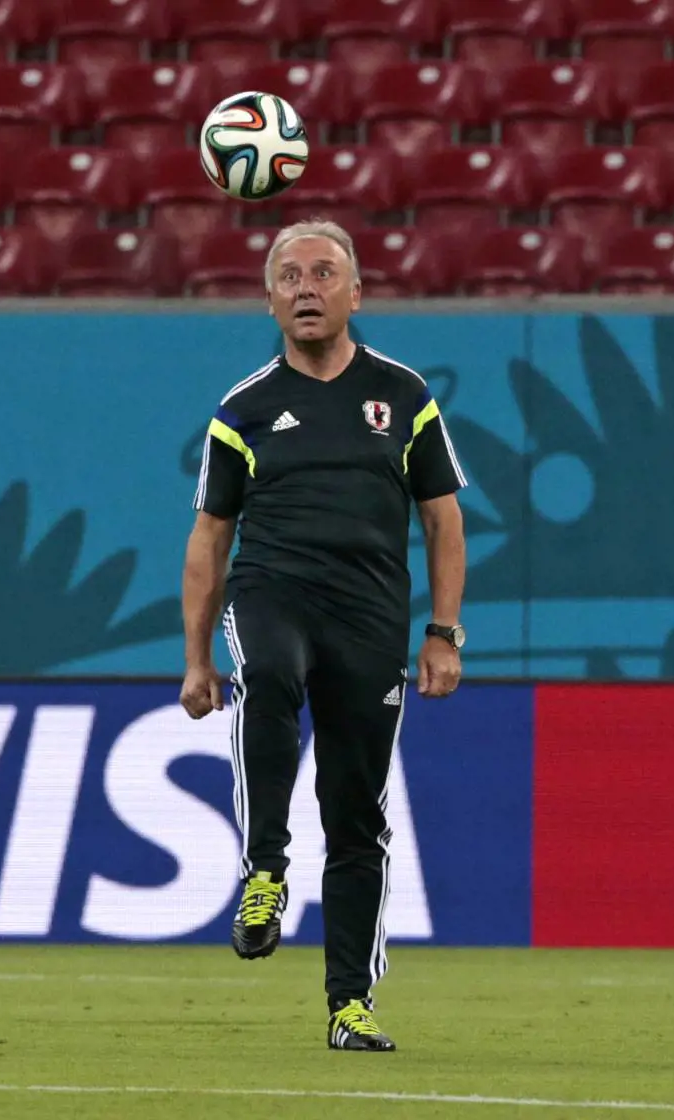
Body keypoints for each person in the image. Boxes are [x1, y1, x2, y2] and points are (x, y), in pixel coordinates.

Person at [180, 219, 467, 1052]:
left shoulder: (404, 396)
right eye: (290, 276)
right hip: (273, 591)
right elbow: (210, 539)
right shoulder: (242, 410)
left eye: (324, 272)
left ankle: (350, 1005)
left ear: (356, 293)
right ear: (270, 300)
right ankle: (265, 869)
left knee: (356, 814)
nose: (307, 287)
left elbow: (444, 522)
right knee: (268, 671)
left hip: (371, 617)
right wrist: (197, 660)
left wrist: (442, 633)